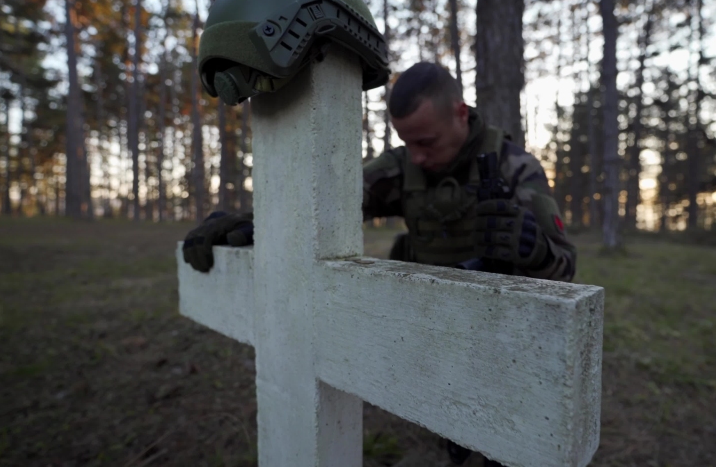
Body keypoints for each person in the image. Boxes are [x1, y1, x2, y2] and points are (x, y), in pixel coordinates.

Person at [183, 62, 576, 467]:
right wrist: (253, 220)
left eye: (427, 141)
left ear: (461, 113)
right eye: (409, 143)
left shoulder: (515, 168)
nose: (418, 157)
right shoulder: (403, 165)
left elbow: (565, 269)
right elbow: (319, 205)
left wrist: (536, 252)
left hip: (499, 333)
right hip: (430, 319)